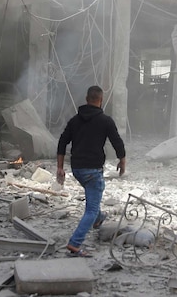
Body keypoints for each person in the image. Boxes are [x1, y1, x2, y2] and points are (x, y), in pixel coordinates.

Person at [56, 85, 126, 257]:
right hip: (93, 171)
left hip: (78, 170)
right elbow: (117, 141)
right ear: (100, 101)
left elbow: (62, 142)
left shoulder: (74, 120)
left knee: (93, 201)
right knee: (91, 209)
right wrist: (122, 160)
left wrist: (59, 167)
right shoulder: (106, 121)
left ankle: (99, 219)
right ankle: (75, 243)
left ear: (87, 100)